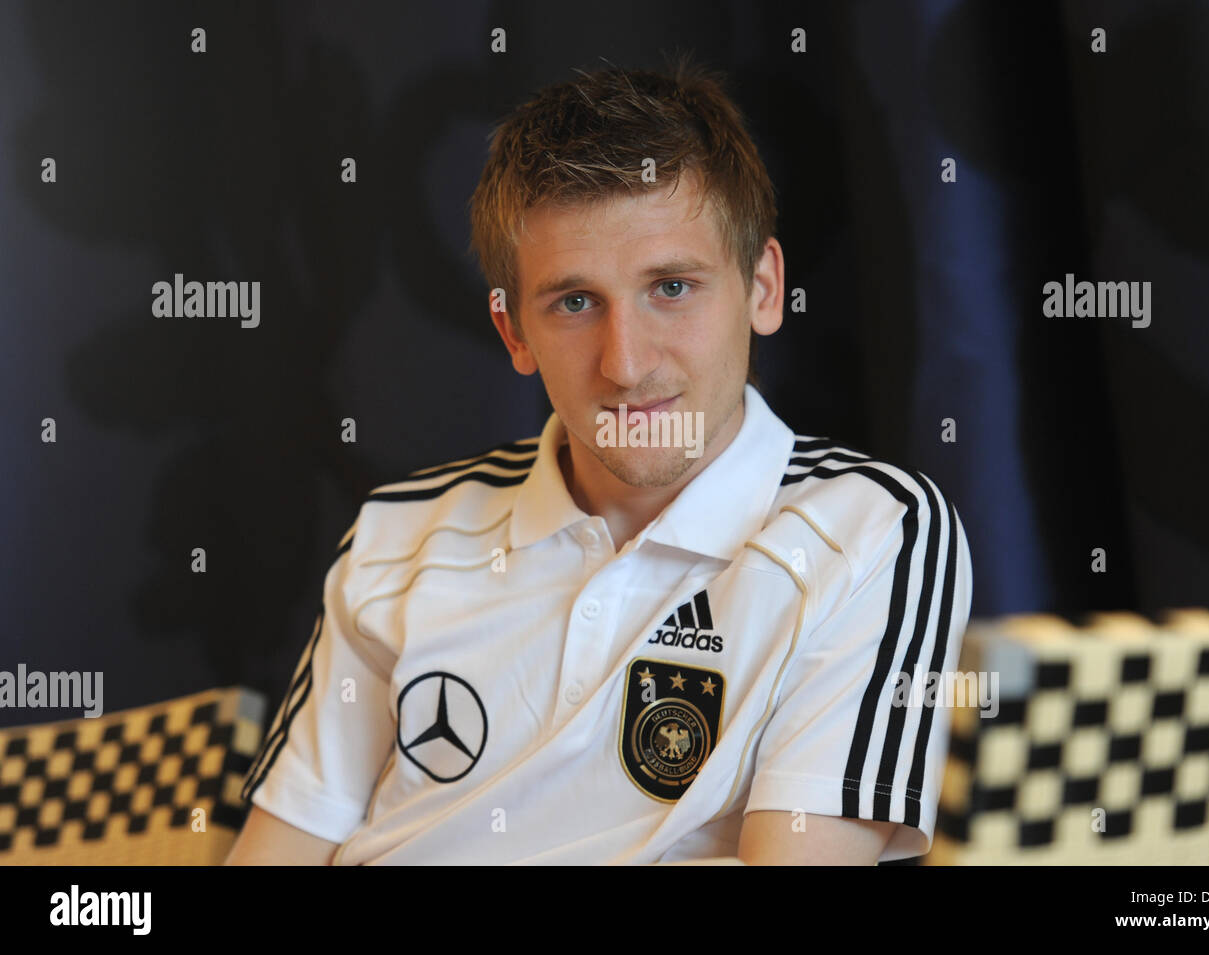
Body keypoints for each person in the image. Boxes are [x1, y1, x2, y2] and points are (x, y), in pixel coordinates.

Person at [224, 57, 972, 865]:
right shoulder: (398, 533)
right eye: (575, 303)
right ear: (514, 332)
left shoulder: (873, 529)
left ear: (762, 288)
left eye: (672, 287)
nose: (627, 362)